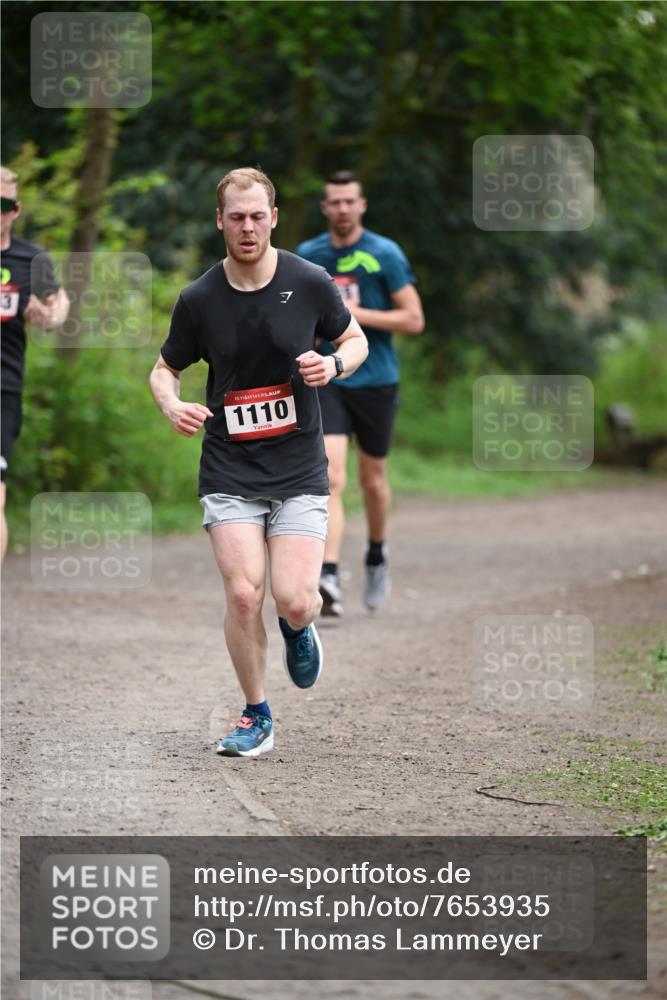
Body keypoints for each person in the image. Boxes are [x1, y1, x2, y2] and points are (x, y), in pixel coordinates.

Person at [149, 167, 367, 758]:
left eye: (257, 216)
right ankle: (256, 714)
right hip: (230, 466)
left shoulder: (311, 280)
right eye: (236, 217)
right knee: (244, 594)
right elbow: (165, 368)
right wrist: (171, 402)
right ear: (220, 221)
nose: (247, 227)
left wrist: (336, 366)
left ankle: (299, 627)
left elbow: (355, 340)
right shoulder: (199, 299)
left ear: (273, 217)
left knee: (294, 597)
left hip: (298, 466)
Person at [297, 170, 424, 617]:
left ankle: (375, 553)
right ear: (325, 208)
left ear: (362, 205)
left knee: (373, 481)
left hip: (377, 379)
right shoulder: (309, 257)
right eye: (335, 202)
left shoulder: (383, 254)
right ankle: (328, 574)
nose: (343, 209)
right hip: (330, 379)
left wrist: (355, 314)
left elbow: (413, 319)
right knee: (331, 476)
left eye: (350, 201)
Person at [1, 165, 70, 560]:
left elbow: (58, 302)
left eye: (2, 205)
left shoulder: (31, 258)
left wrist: (50, 316)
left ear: (15, 209)